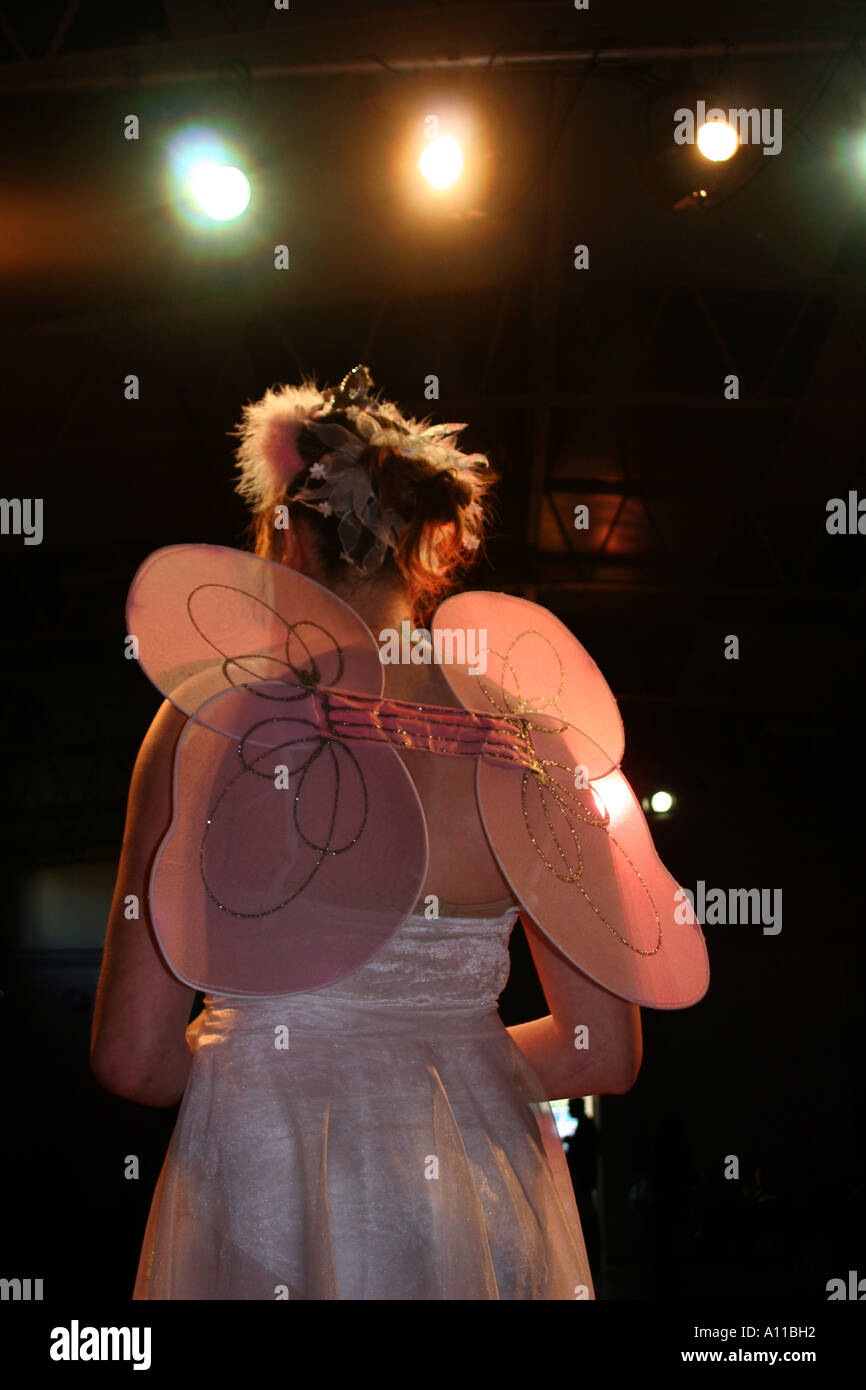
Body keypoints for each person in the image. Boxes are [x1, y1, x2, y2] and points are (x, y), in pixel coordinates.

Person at [90, 365, 704, 1300]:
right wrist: (431, 1066)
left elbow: (133, 1059)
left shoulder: (209, 722)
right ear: (429, 543)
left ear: (286, 539)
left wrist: (279, 1069)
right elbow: (601, 1054)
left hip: (265, 1190)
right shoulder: (529, 736)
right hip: (479, 1200)